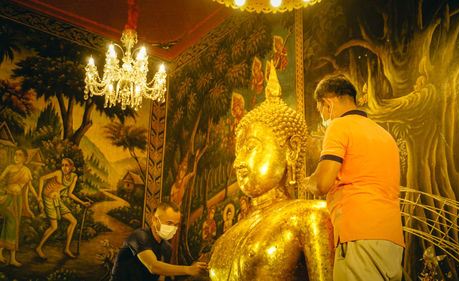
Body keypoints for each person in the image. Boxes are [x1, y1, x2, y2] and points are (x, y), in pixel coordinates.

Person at [209, 62, 334, 281]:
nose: (237, 162)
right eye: (237, 152)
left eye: (250, 148)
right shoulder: (226, 238)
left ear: (291, 150)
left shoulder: (309, 216)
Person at [302, 74, 405, 281]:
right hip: (392, 240)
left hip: (359, 235)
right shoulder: (384, 134)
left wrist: (306, 181)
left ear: (328, 103)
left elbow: (322, 183)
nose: (322, 116)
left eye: (320, 109)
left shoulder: (339, 126)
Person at [110, 201, 207, 281]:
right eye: (169, 223)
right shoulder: (139, 236)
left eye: (176, 225)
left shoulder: (167, 248)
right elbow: (153, 266)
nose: (173, 228)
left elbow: (161, 276)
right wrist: (188, 269)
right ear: (155, 220)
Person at [36, 157, 91, 259]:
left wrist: (82, 203)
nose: (64, 167)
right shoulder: (58, 173)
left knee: (73, 221)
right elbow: (41, 178)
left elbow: (70, 194)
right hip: (48, 199)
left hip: (57, 200)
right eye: (62, 165)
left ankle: (66, 249)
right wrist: (39, 198)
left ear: (71, 167)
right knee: (54, 227)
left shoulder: (74, 177)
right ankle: (39, 248)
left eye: (66, 165)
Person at [0, 148, 41, 266]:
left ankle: (9, 256)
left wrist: (38, 197)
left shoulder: (26, 170)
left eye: (19, 155)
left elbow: (30, 186)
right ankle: (10, 257)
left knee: (12, 225)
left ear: (25, 158)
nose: (16, 157)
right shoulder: (9, 168)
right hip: (7, 199)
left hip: (17, 200)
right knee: (12, 223)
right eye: (15, 155)